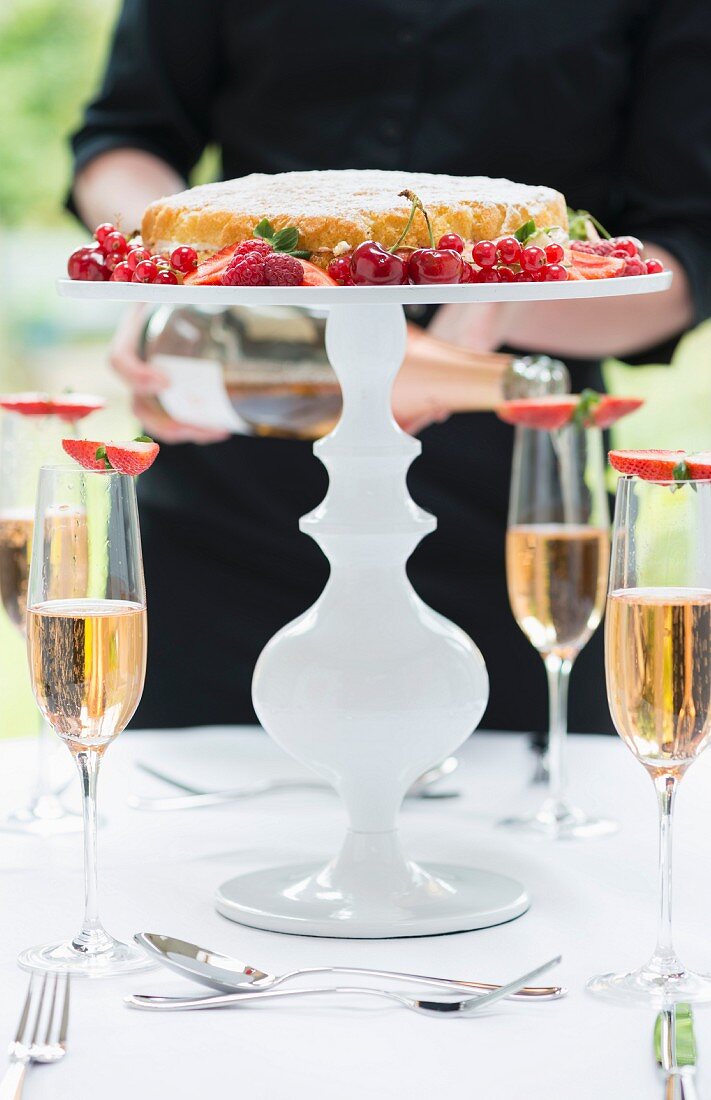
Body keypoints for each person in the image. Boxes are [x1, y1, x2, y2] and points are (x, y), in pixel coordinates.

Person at [69, 0, 711, 732]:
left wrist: (492, 298)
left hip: (509, 521)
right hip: (232, 503)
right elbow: (123, 139)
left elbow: (683, 248)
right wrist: (182, 277)